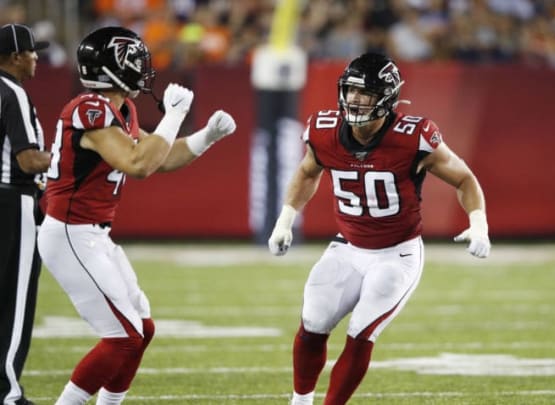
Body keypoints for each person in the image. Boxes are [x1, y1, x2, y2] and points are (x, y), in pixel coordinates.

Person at [268, 52, 491, 405]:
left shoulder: (413, 136)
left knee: (360, 334)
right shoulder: (325, 131)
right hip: (348, 247)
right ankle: (300, 401)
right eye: (351, 90)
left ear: (386, 98)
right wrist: (285, 220)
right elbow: (308, 171)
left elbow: (464, 178)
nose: (354, 99)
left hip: (396, 255)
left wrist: (478, 223)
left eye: (365, 93)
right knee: (312, 325)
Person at [36, 26, 236, 405]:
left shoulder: (120, 108)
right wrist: (174, 115)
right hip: (70, 233)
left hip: (93, 235)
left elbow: (160, 157)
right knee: (122, 338)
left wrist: (206, 136)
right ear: (113, 66)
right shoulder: (88, 108)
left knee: (141, 330)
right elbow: (138, 164)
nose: (143, 68)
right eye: (135, 61)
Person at [0, 23, 51, 405]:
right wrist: (68, 156)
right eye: (32, 51)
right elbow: (28, 159)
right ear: (16, 56)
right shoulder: (13, 92)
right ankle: (8, 393)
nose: (37, 58)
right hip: (13, 201)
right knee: (14, 303)